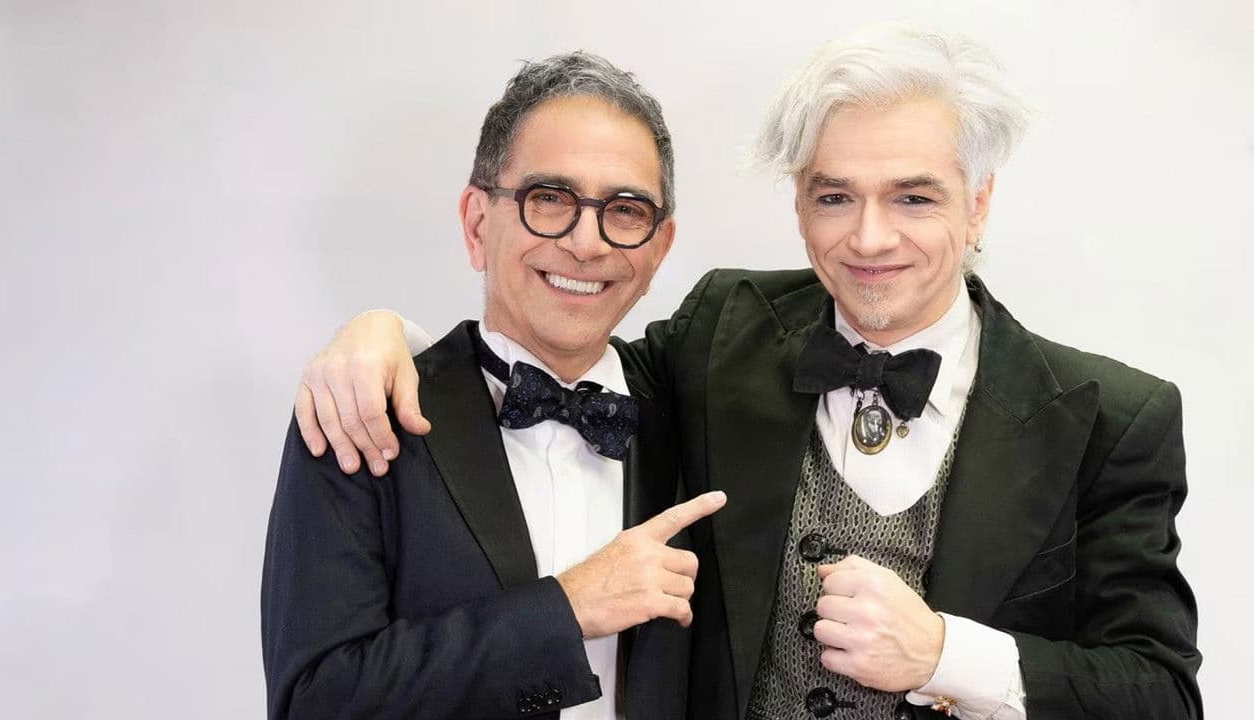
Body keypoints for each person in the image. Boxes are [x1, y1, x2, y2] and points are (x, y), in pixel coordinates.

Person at [294, 28, 1201, 720]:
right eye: (834, 196)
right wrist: (383, 337)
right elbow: (559, 355)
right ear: (799, 203)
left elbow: (1160, 693)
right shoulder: (725, 329)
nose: (870, 237)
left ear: (979, 204)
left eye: (914, 196)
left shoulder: (1113, 419)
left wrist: (942, 654)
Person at [262, 51, 728, 720]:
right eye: (550, 199)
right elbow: (315, 701)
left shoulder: (694, 409)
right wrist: (567, 609)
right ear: (478, 223)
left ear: (659, 246)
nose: (587, 243)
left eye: (625, 210)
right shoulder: (363, 407)